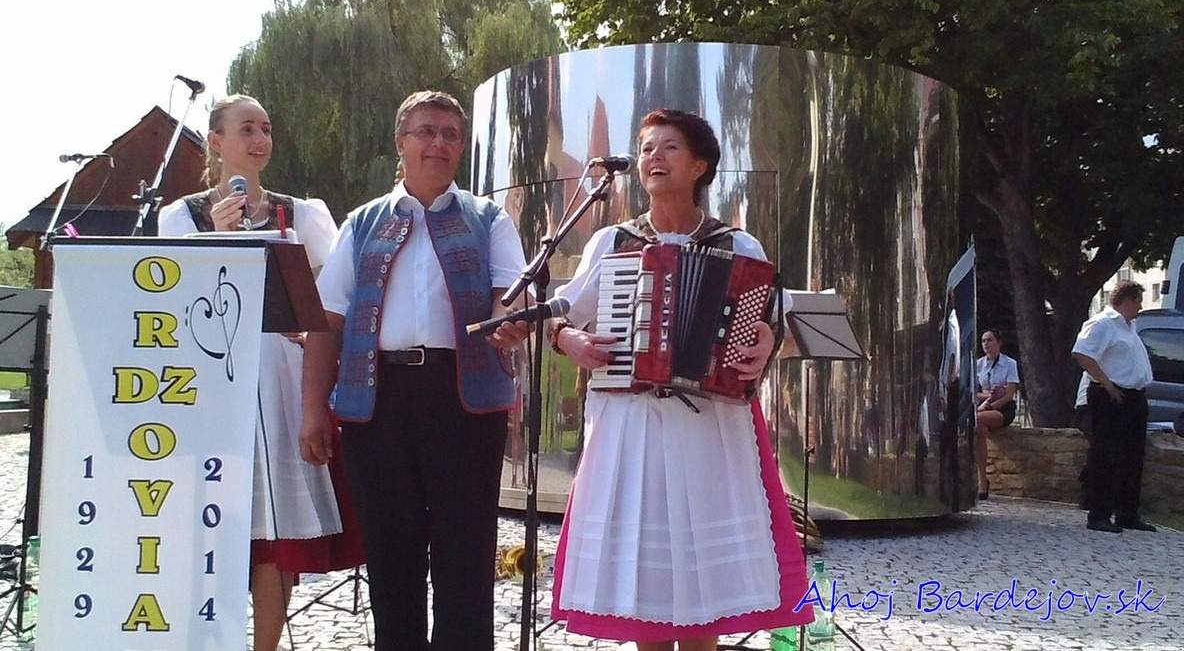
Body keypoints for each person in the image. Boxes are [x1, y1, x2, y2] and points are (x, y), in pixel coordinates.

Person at [547, 109, 812, 651]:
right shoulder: (612, 242)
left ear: (700, 166)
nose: (653, 157)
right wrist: (567, 339)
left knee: (701, 577)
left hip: (710, 427)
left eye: (669, 147)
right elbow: (561, 314)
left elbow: (779, 331)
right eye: (647, 148)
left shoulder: (739, 247)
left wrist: (768, 343)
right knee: (646, 576)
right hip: (631, 422)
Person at [299, 90, 530, 651]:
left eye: (450, 134)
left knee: (466, 555)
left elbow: (511, 294)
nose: (438, 143)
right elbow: (327, 320)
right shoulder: (362, 223)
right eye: (426, 131)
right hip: (378, 402)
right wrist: (312, 409)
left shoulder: (489, 219)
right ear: (400, 142)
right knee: (391, 555)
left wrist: (509, 321)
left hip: (464, 402)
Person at [158, 94, 365, 651]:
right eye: (247, 128)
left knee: (274, 530)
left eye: (267, 128)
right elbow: (169, 305)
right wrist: (212, 241)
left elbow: (338, 296)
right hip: (208, 386)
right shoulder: (180, 217)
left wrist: (309, 324)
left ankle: (264, 646)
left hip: (278, 383)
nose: (260, 139)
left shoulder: (302, 213)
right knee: (214, 520)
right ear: (216, 141)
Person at [1071, 280, 1156, 534]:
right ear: (1127, 301)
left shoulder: (1129, 326)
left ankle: (1127, 513)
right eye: (1138, 301)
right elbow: (1082, 352)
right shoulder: (1103, 323)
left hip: (1134, 397)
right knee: (1106, 456)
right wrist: (1106, 384)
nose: (1140, 307)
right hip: (1112, 396)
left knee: (1132, 456)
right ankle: (1099, 514)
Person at [973, 329, 1019, 499]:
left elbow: (1008, 395)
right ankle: (982, 478)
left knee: (977, 419)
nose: (986, 344)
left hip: (1002, 407)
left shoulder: (1010, 364)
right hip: (986, 404)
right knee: (980, 430)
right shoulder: (978, 364)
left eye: (990, 340)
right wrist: (988, 396)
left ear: (999, 342)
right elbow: (973, 393)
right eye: (983, 341)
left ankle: (981, 480)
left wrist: (990, 404)